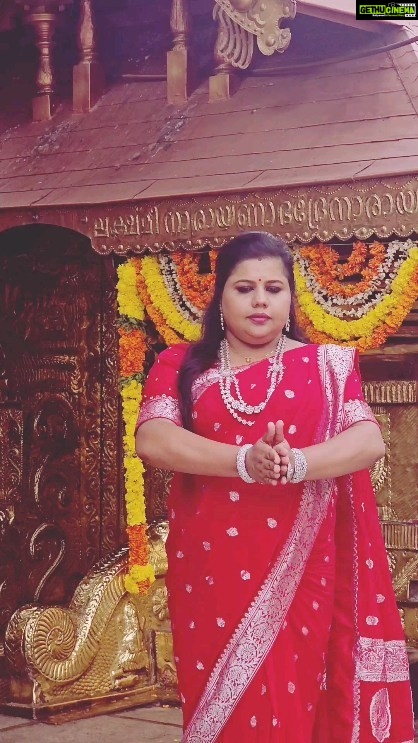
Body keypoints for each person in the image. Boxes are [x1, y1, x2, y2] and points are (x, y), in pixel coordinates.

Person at [135, 232, 414, 743]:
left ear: (290, 299)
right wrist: (244, 461)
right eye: (244, 288)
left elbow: (369, 439)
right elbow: (153, 439)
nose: (260, 300)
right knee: (224, 707)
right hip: (212, 569)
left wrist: (299, 463)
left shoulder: (326, 367)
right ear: (220, 297)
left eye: (274, 288)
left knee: (295, 695)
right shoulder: (181, 364)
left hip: (305, 568)